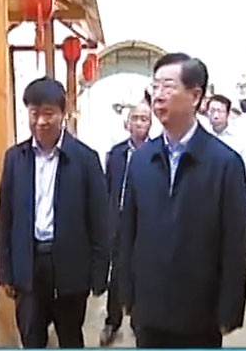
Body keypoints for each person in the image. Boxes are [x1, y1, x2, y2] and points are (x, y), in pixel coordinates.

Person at [120, 53, 246, 348]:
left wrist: (230, 309)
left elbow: (234, 244)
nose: (158, 95)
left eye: (168, 86)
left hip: (200, 313)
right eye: (155, 86)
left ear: (195, 96)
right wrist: (126, 293)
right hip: (149, 309)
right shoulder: (142, 159)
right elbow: (127, 230)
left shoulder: (225, 163)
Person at [0, 77, 109, 348]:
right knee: (31, 337)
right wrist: (6, 271)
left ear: (63, 113)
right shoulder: (15, 159)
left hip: (70, 269)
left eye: (48, 113)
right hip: (28, 265)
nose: (40, 121)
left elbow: (100, 221)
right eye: (34, 113)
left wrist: (98, 274)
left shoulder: (85, 159)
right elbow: (5, 218)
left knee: (70, 337)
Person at [99, 100, 152, 347]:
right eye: (136, 118)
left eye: (145, 119)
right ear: (127, 123)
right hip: (118, 221)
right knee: (117, 272)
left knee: (142, 271)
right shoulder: (116, 154)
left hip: (145, 223)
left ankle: (140, 320)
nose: (140, 123)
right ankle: (113, 320)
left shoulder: (156, 154)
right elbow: (108, 187)